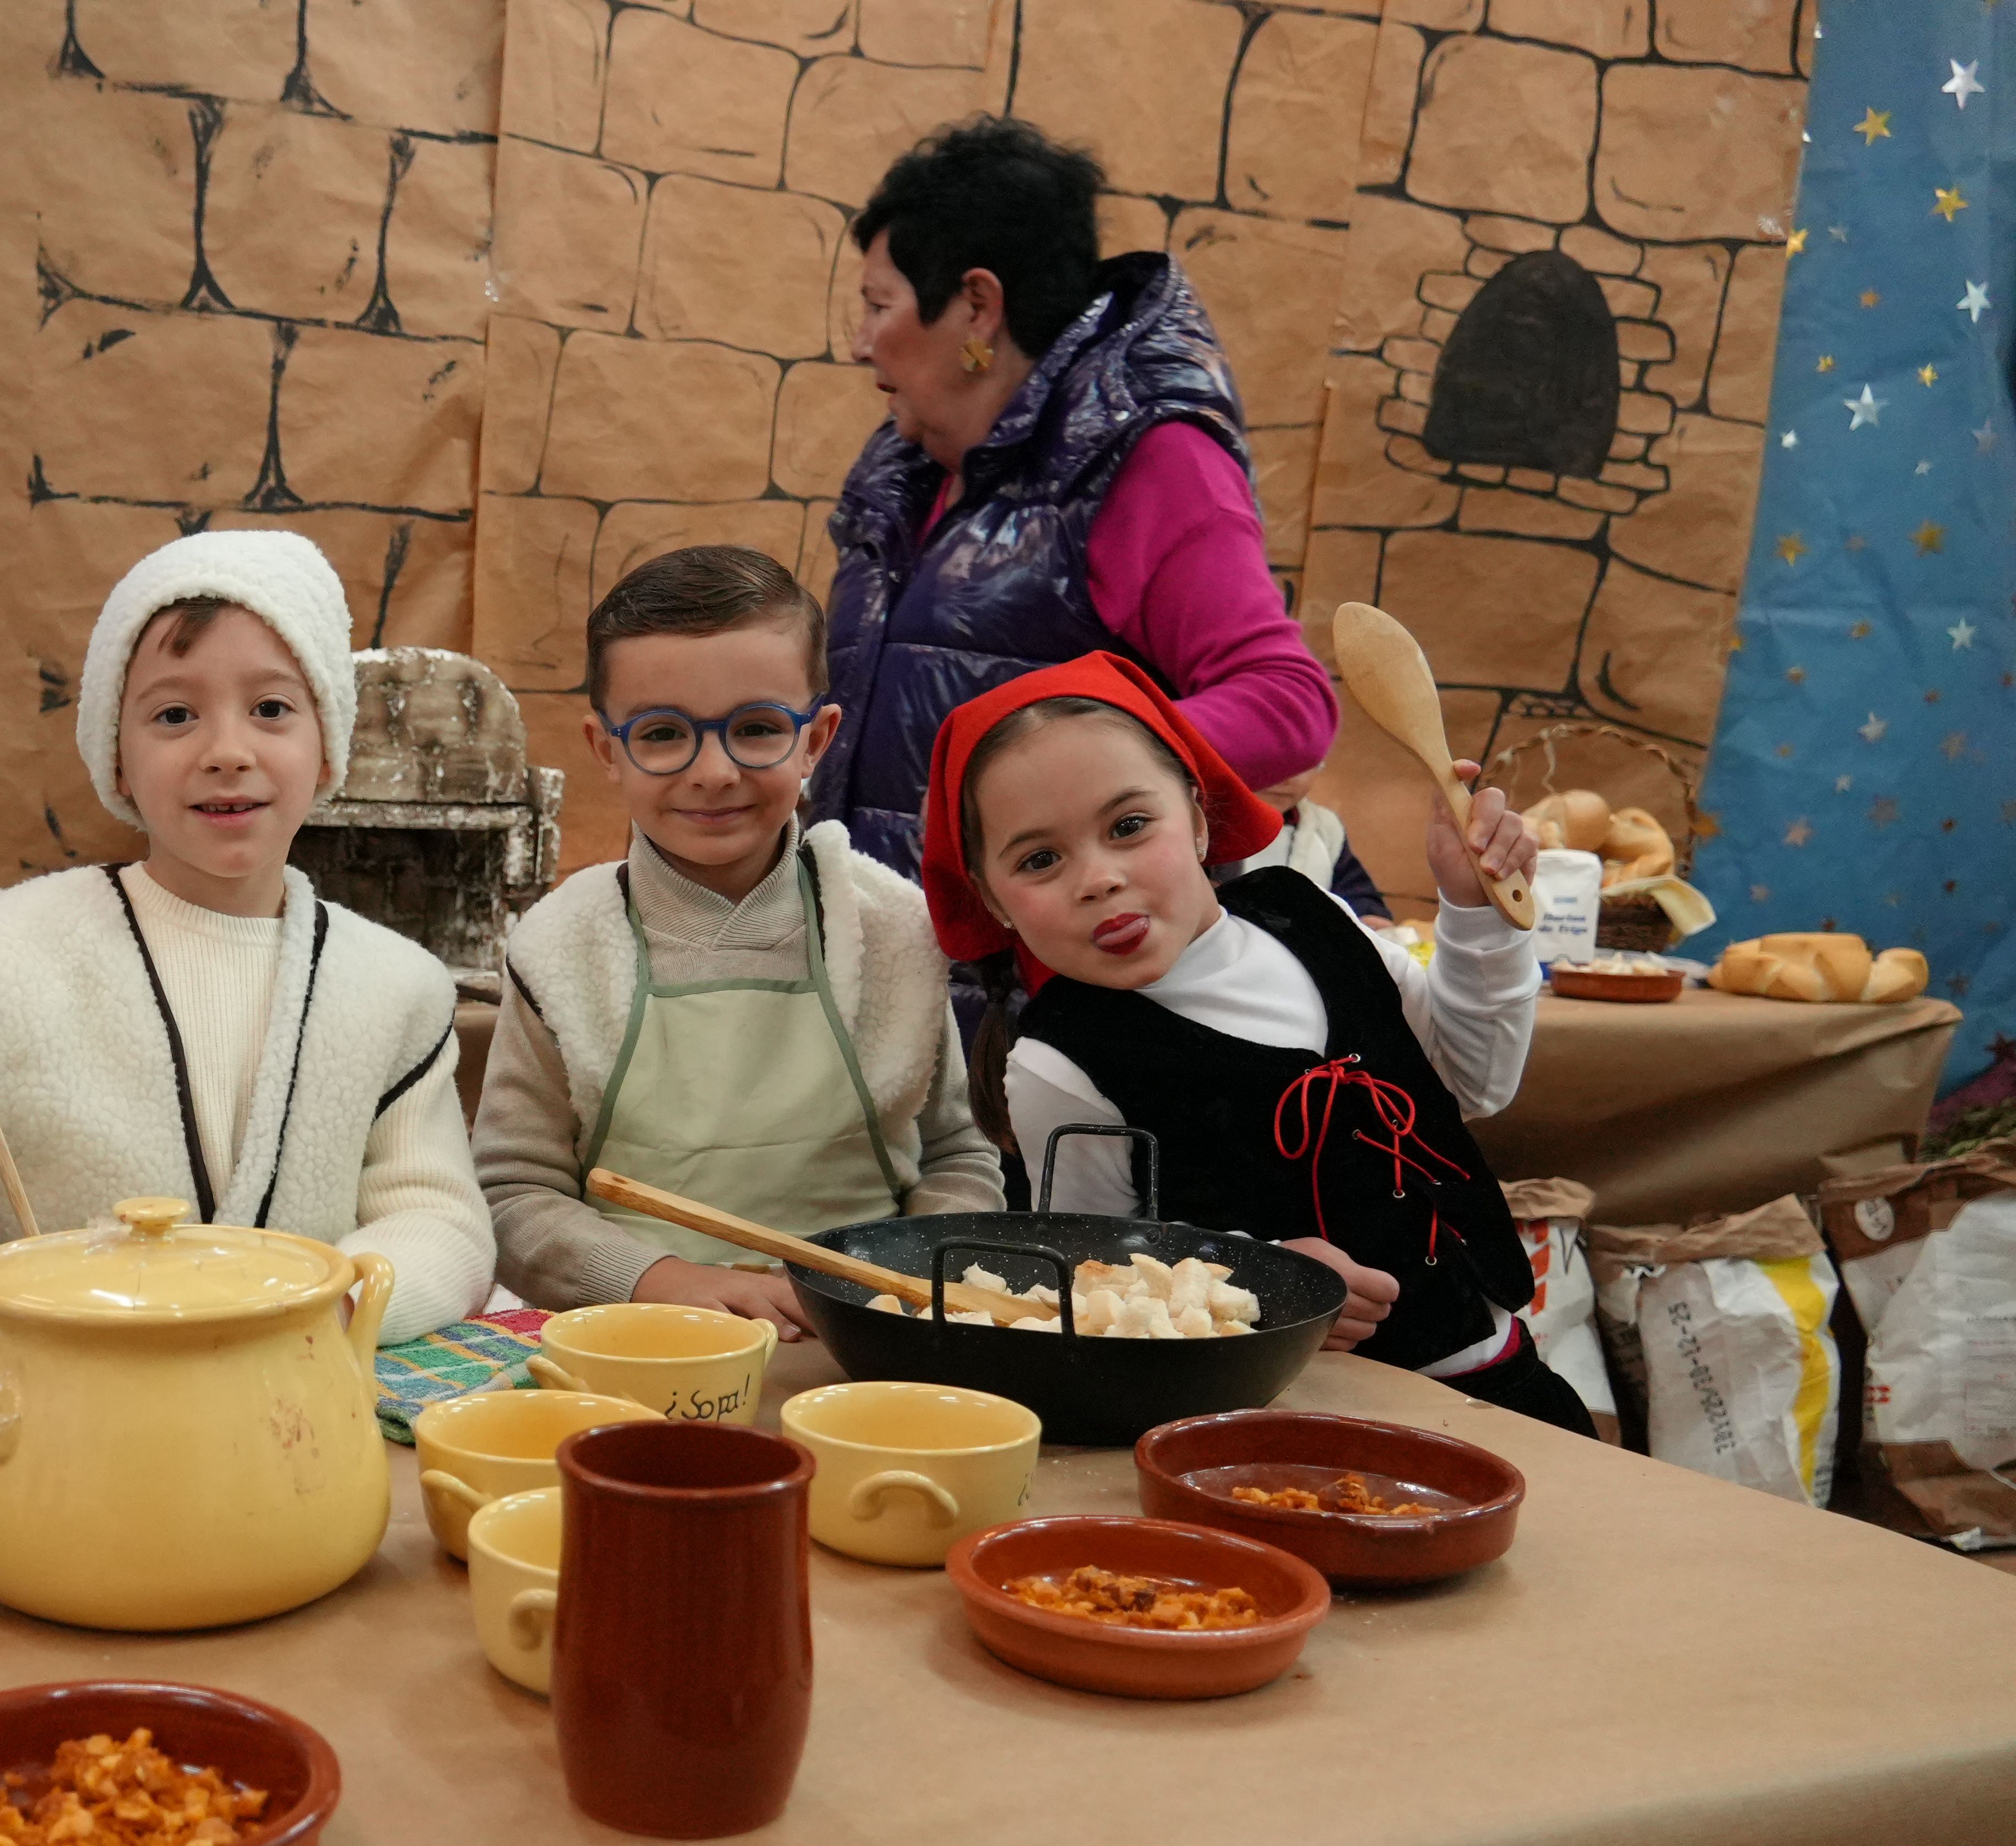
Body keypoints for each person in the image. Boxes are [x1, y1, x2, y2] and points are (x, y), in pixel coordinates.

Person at [0, 529, 492, 1343]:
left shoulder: (397, 987)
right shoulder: (10, 951)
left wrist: (322, 1311)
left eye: (273, 709)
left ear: (329, 746)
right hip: (51, 1404)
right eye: (175, 714)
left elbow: (442, 1225)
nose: (227, 752)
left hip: (290, 1400)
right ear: (115, 759)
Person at [916, 651, 1593, 1433]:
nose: (1098, 877)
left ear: (1200, 815)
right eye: (1040, 859)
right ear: (992, 898)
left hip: (1503, 1379)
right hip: (1296, 1426)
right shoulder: (1059, 1064)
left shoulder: (1315, 918)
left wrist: (1475, 912)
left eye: (1130, 826)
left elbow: (1475, 1084)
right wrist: (1259, 1275)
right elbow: (1096, 1281)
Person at [475, 546, 1003, 1340]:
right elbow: (513, 1192)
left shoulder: (894, 928)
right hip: (637, 1347)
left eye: (757, 729)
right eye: (662, 734)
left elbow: (958, 1156)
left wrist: (907, 1287)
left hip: (864, 1344)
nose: (714, 771)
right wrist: (654, 1279)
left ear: (817, 739)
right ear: (605, 750)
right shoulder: (563, 946)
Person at [811, 114, 1337, 879]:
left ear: (978, 308)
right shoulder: (907, 477)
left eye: (878, 304)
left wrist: (1046, 785)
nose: (861, 343)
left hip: (1057, 988)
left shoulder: (1148, 460)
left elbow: (1287, 703)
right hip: (890, 973)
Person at [1227, 766, 1393, 924]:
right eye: (1267, 762)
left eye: (1302, 765)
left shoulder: (1325, 827)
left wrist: (1368, 915)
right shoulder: (1210, 827)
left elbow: (1353, 890)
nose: (1285, 779)